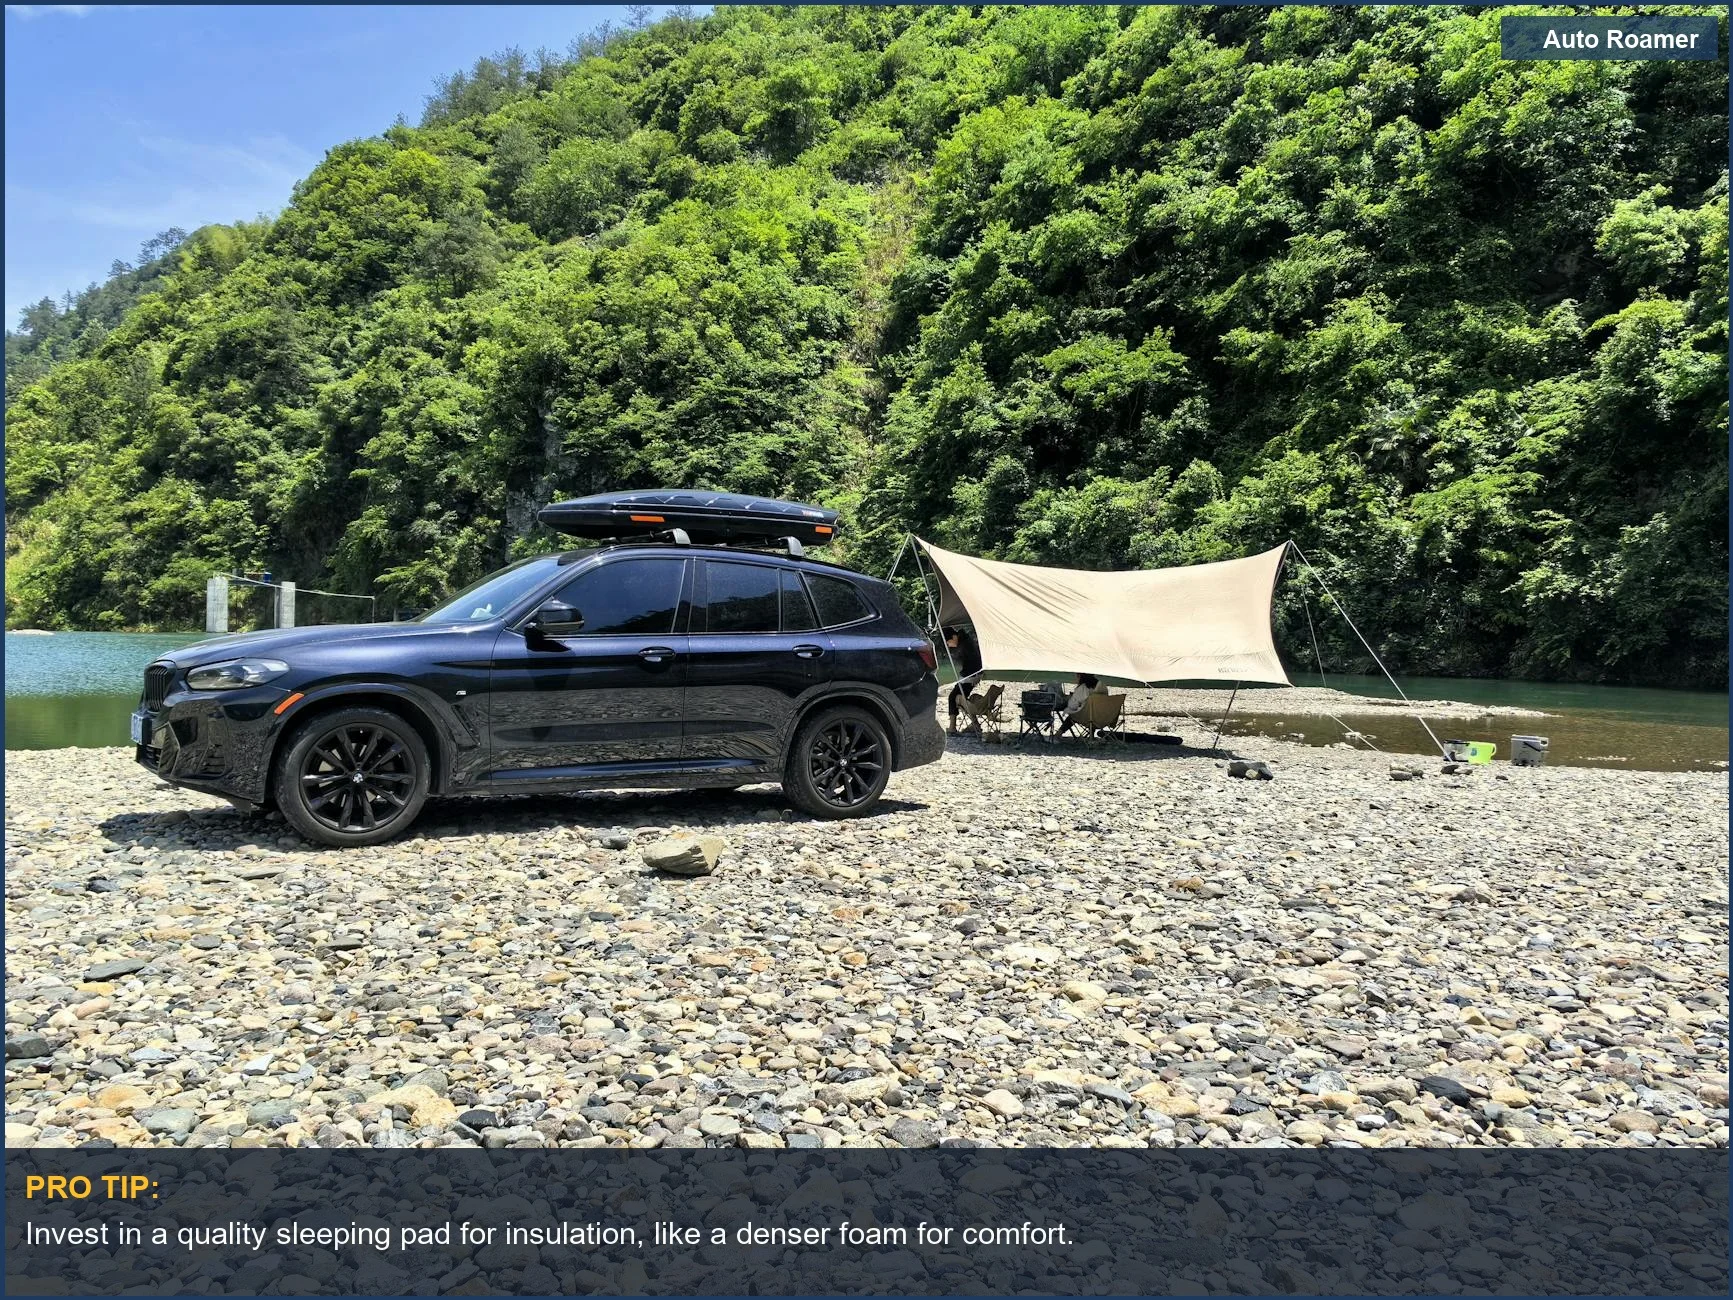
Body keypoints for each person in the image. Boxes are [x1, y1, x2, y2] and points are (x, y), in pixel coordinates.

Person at [942, 625, 984, 733]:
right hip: (973, 675)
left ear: (953, 637)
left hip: (971, 676)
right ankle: (975, 724)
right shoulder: (965, 641)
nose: (949, 645)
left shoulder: (965, 645)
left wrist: (965, 677)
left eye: (948, 642)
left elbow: (973, 664)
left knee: (954, 697)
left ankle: (953, 727)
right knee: (961, 699)